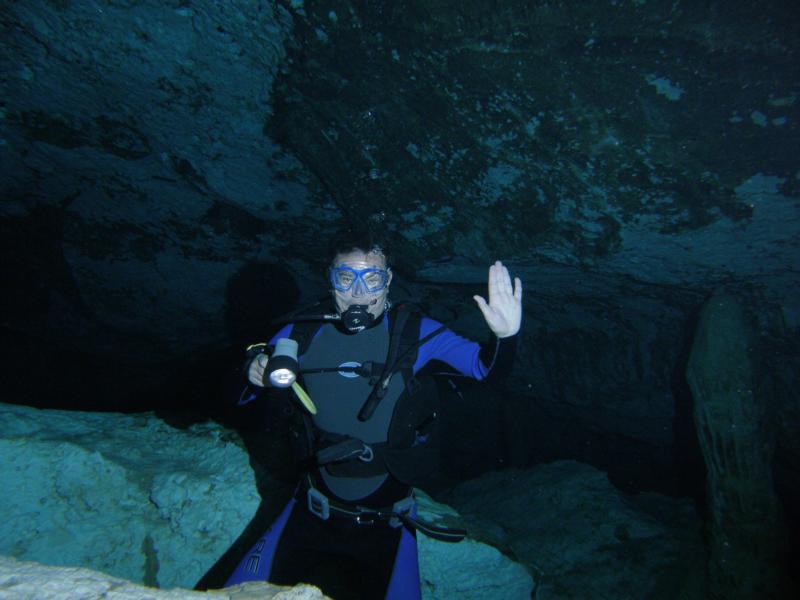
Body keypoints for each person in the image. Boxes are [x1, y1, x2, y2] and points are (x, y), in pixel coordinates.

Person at [226, 228, 522, 599]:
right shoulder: (301, 333)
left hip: (388, 524)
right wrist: (254, 372)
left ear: (388, 281)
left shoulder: (416, 333)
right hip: (310, 510)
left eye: (372, 278)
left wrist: (506, 337)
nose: (359, 293)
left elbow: (485, 370)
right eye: (346, 278)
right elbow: (241, 398)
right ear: (330, 280)